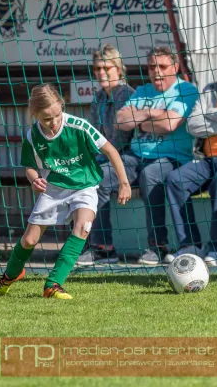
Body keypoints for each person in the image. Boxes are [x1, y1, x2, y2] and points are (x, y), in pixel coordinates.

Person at [0, 84, 131, 299]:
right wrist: (35, 179)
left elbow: (110, 150)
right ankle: (11, 275)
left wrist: (123, 182)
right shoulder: (33, 136)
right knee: (29, 240)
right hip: (54, 188)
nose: (54, 122)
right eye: (47, 119)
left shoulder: (79, 126)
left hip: (84, 185)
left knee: (83, 227)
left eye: (57, 115)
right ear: (34, 114)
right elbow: (29, 166)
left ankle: (53, 285)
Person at [115, 46, 199, 265]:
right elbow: (121, 121)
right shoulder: (143, 90)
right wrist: (153, 114)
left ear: (175, 67)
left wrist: (140, 119)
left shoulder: (186, 90)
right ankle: (99, 246)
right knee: (101, 174)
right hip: (135, 156)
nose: (157, 72)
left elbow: (170, 124)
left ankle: (157, 246)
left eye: (162, 66)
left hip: (172, 158)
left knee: (151, 174)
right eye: (152, 66)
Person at [77, 44, 136, 266]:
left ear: (118, 69)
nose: (101, 73)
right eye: (97, 68)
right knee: (73, 175)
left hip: (129, 158)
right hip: (106, 156)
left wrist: (98, 156)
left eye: (106, 68)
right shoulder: (99, 97)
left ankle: (105, 248)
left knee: (98, 178)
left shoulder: (126, 94)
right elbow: (94, 136)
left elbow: (120, 140)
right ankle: (80, 242)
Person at [164, 81, 217, 265]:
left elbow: (201, 121)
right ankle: (190, 246)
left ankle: (216, 247)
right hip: (206, 160)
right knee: (175, 179)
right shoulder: (210, 89)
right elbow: (192, 125)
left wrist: (209, 116)